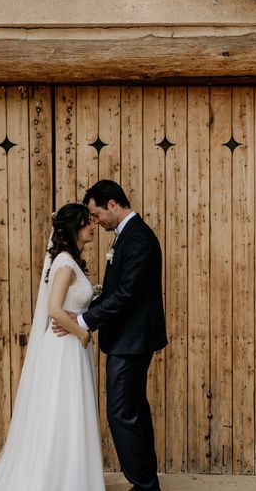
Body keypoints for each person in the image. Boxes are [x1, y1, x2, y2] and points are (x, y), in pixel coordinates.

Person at [0, 202, 106, 491]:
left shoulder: (70, 262)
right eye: (86, 223)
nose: (92, 226)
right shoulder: (65, 264)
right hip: (64, 347)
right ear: (73, 228)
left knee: (69, 415)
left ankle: (72, 477)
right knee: (61, 414)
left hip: (68, 347)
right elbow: (55, 310)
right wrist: (82, 334)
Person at [54, 179, 168, 491]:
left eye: (96, 214)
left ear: (113, 206)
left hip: (131, 342)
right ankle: (146, 484)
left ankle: (144, 486)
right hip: (128, 340)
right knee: (134, 413)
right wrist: (86, 312)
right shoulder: (126, 237)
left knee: (122, 416)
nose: (95, 221)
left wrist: (83, 320)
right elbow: (116, 292)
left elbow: (127, 294)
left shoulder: (138, 239)